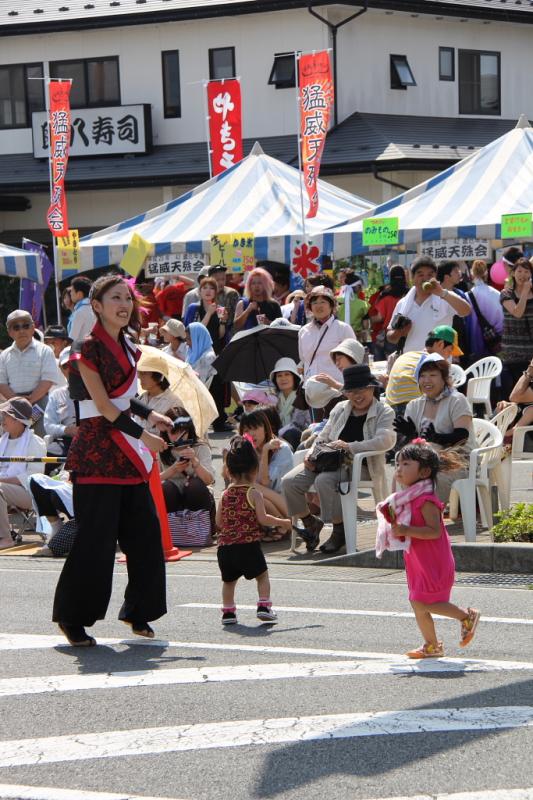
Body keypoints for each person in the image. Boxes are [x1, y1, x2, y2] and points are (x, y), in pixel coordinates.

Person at [52, 274, 170, 648]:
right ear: (97, 306)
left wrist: (151, 416)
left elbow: (124, 399)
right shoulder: (85, 351)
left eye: (128, 298)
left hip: (126, 454)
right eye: (115, 298)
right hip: (97, 452)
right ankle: (73, 618)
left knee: (146, 537)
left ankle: (138, 611)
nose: (124, 304)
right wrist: (144, 435)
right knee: (96, 543)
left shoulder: (132, 347)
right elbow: (102, 405)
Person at [377, 440, 480, 659]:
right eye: (398, 464)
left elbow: (433, 531)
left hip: (433, 559)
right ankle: (432, 645)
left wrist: (406, 528)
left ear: (424, 472)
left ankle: (466, 616)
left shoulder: (426, 500)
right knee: (417, 602)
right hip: (417, 559)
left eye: (406, 464)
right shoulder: (405, 498)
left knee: (427, 602)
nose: (399, 469)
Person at [282, 365, 396, 554]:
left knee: (324, 480)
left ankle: (339, 531)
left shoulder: (384, 411)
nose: (357, 395)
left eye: (361, 390)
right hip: (328, 460)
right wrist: (312, 454)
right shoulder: (340, 408)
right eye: (351, 391)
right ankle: (310, 523)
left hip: (361, 465)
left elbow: (385, 440)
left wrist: (350, 446)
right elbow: (323, 436)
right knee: (289, 482)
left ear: (372, 388)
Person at [216, 435, 291, 625]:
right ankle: (264, 606)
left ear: (228, 471)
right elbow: (263, 519)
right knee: (262, 576)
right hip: (248, 545)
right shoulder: (253, 493)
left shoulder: (224, 495)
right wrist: (283, 522)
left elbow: (218, 521)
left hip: (225, 548)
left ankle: (228, 612)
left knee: (229, 581)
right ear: (255, 469)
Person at [394, 354, 474, 502]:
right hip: (425, 460)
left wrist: (437, 437)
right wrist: (410, 435)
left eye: (433, 375)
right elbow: (413, 444)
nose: (427, 380)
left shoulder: (457, 400)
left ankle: (430, 515)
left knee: (436, 476)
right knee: (405, 471)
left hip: (457, 460)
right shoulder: (414, 405)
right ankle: (413, 513)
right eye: (422, 376)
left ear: (444, 378)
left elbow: (462, 437)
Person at [386, 256, 471, 353]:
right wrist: (399, 332)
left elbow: (466, 311)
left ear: (435, 277)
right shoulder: (403, 303)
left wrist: (442, 293)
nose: (425, 278)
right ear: (412, 278)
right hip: (410, 362)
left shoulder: (445, 296)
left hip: (438, 363)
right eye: (420, 274)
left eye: (430, 275)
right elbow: (390, 336)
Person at [185, 278, 232, 432]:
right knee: (198, 388)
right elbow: (194, 330)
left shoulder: (219, 308)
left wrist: (223, 322)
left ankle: (218, 421)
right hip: (197, 353)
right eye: (204, 287)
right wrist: (209, 313)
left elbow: (220, 335)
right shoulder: (194, 308)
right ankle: (197, 421)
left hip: (214, 353)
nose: (208, 290)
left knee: (217, 388)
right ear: (200, 291)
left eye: (211, 288)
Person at [385, 326, 463, 418]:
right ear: (441, 344)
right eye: (449, 351)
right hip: (413, 411)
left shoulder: (407, 355)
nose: (448, 356)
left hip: (390, 411)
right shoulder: (434, 361)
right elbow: (447, 392)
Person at [0, 397, 47, 550]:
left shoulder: (35, 442)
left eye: (6, 415)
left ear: (18, 419)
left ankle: (6, 538)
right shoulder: (2, 440)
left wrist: (3, 480)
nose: (2, 419)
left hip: (29, 493)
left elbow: (33, 478)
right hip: (5, 488)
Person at [239, 410, 292, 541]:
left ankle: (284, 524)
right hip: (263, 503)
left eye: (255, 428)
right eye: (246, 430)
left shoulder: (282, 448)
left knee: (249, 485)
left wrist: (264, 452)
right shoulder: (247, 449)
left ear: (265, 427)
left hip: (287, 503)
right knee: (249, 489)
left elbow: (264, 482)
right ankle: (279, 525)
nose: (251, 434)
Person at [0, 310, 60, 423]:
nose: (22, 330)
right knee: (14, 439)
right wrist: (18, 402)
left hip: (39, 405)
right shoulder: (4, 355)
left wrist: (30, 400)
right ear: (9, 332)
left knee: (40, 438)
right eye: (16, 327)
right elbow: (1, 382)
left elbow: (48, 380)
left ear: (33, 328)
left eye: (26, 326)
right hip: (13, 406)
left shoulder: (45, 351)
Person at [159, 406, 215, 524]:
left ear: (189, 430)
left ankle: (202, 528)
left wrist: (195, 461)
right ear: (166, 432)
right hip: (173, 500)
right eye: (173, 432)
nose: (179, 436)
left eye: (183, 432)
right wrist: (173, 469)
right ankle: (172, 529)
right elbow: (153, 481)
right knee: (166, 487)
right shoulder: (161, 449)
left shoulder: (200, 447)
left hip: (197, 498)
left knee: (194, 484)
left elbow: (209, 480)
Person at [298, 287, 355, 387]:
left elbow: (354, 359)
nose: (318, 306)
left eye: (323, 302)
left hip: (336, 389)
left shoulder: (343, 329)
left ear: (331, 306)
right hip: (310, 390)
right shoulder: (303, 331)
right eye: (314, 303)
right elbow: (303, 358)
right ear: (310, 307)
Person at [500, 257, 533, 398]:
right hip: (513, 353)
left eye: (527, 271)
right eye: (519, 271)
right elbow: (517, 313)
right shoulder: (506, 293)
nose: (523, 275)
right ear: (513, 273)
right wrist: (525, 292)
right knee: (514, 395)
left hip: (531, 354)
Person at [466, 259, 504, 362]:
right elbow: (502, 319)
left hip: (474, 345)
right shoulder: (496, 294)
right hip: (494, 342)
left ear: (472, 274)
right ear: (486, 272)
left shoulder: (467, 296)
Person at [270, 357, 311, 450]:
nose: (283, 378)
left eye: (287, 374)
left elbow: (298, 424)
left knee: (291, 433)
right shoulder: (273, 399)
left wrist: (278, 435)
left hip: (300, 438)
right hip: (278, 439)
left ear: (294, 377)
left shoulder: (302, 396)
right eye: (279, 375)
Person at [369, 265, 408, 360]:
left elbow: (380, 317)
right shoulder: (410, 294)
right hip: (408, 334)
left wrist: (369, 320)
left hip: (391, 335)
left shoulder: (385, 295)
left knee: (388, 365)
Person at [44, 347, 78, 457]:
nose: (70, 369)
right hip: (65, 441)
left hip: (92, 439)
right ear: (61, 369)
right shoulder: (56, 394)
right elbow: (48, 425)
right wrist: (67, 430)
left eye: (74, 364)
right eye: (65, 366)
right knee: (46, 453)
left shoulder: (97, 391)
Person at [137, 352, 182, 432]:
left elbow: (175, 434)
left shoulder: (174, 403)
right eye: (139, 373)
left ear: (158, 376)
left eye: (144, 373)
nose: (139, 377)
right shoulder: (140, 398)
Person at [336, 271, 369, 336]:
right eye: (360, 287)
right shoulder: (363, 305)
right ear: (357, 287)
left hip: (337, 337)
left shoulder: (335, 301)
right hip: (356, 337)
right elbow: (366, 325)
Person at [67, 276, 96, 341]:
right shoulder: (95, 308)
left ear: (79, 294)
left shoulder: (80, 311)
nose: (70, 293)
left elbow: (72, 338)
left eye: (72, 291)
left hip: (81, 349)